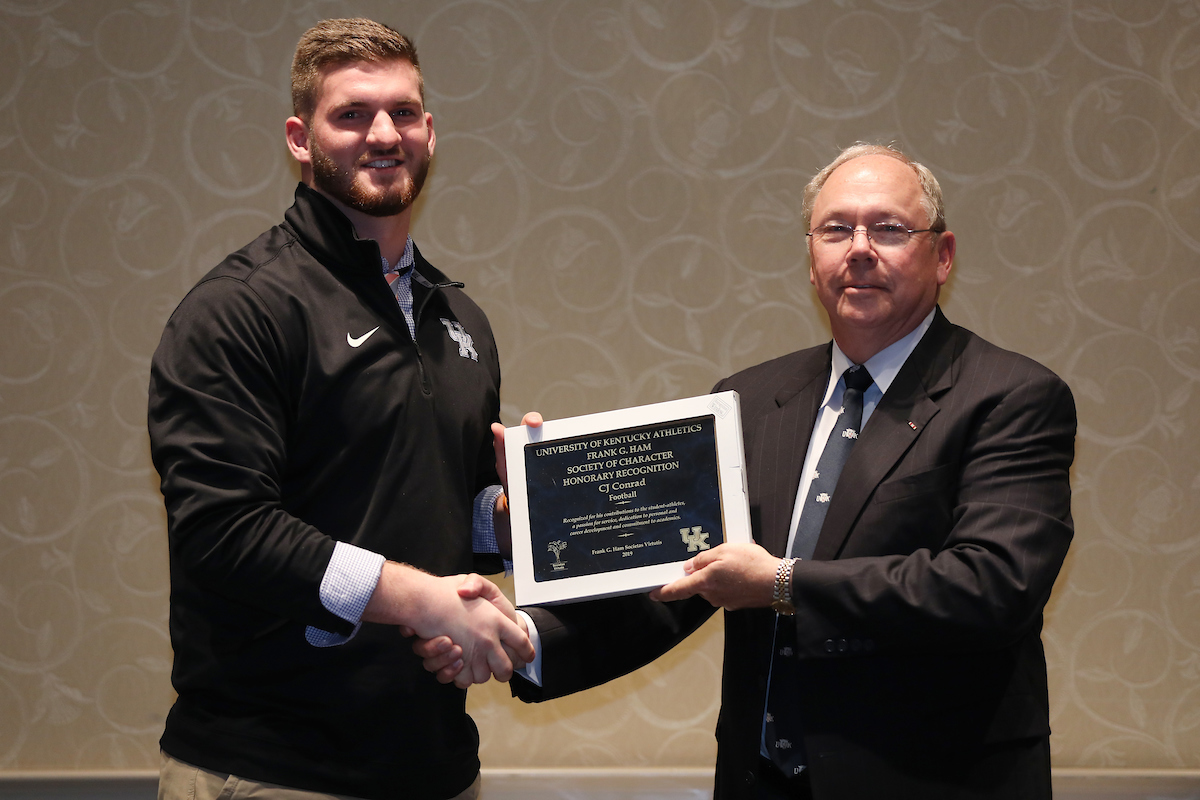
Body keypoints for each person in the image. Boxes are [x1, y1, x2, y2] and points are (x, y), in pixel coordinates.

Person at [422, 143, 1076, 799]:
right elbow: (680, 579)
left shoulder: (1010, 396)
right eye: (836, 229)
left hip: (934, 782)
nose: (859, 249)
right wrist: (523, 633)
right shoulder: (753, 401)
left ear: (943, 255)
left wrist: (783, 583)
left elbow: (994, 587)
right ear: (812, 259)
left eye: (889, 229)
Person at [148, 18, 533, 800]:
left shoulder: (460, 319)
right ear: (300, 137)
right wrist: (422, 598)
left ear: (430, 130)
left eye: (403, 111)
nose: (383, 133)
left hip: (436, 766)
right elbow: (223, 529)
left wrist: (515, 515)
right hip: (272, 772)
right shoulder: (240, 309)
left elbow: (429, 511)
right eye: (351, 113)